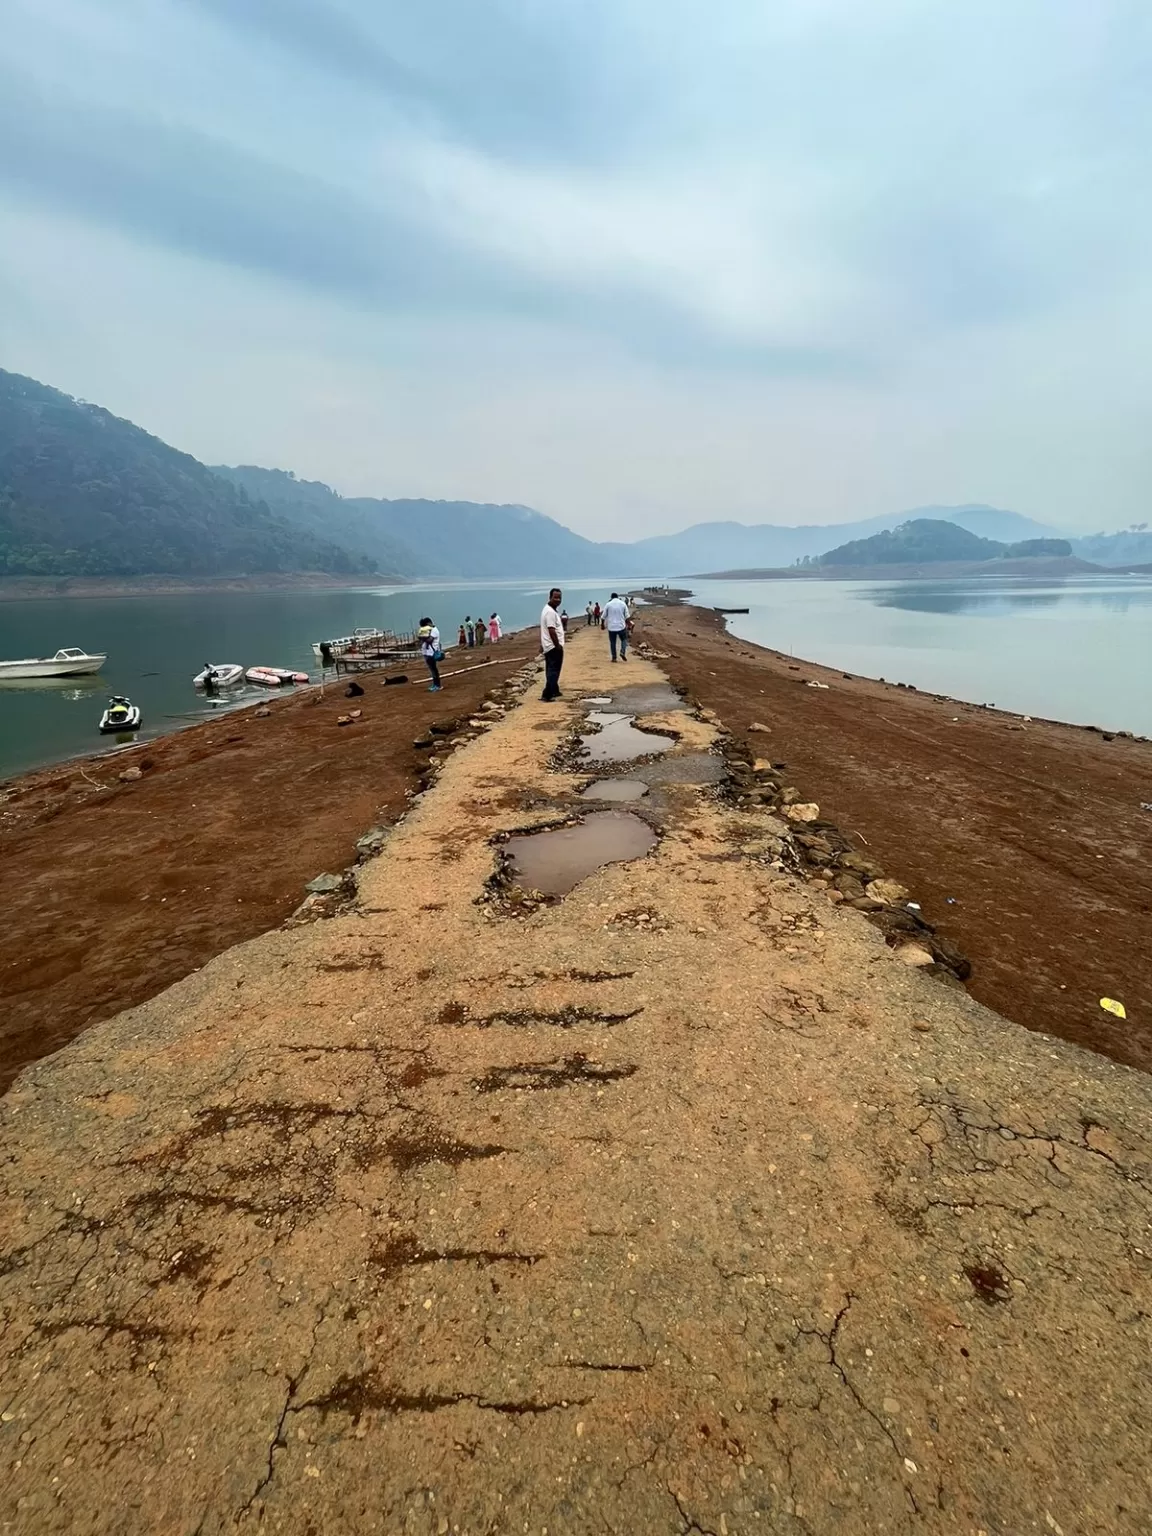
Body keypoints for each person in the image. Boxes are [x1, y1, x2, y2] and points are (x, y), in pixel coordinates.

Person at [540, 587, 565, 701]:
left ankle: (554, 690)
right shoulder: (550, 612)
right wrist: (557, 645)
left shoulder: (550, 610)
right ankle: (547, 694)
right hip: (553, 646)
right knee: (553, 671)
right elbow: (551, 630)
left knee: (551, 670)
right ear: (550, 597)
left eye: (559, 597)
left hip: (549, 646)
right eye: (555, 597)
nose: (558, 600)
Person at [417, 617, 443, 691]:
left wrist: (423, 637)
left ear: (429, 623)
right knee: (432, 670)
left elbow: (429, 640)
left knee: (434, 669)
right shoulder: (429, 630)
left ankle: (438, 685)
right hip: (426, 653)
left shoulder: (434, 630)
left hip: (431, 653)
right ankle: (435, 684)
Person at [604, 592, 629, 662]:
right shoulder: (623, 604)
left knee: (612, 642)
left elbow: (603, 617)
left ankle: (614, 658)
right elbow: (627, 616)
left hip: (611, 627)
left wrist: (602, 625)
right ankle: (622, 652)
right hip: (621, 626)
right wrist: (629, 624)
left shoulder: (608, 604)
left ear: (611, 597)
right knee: (624, 640)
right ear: (617, 597)